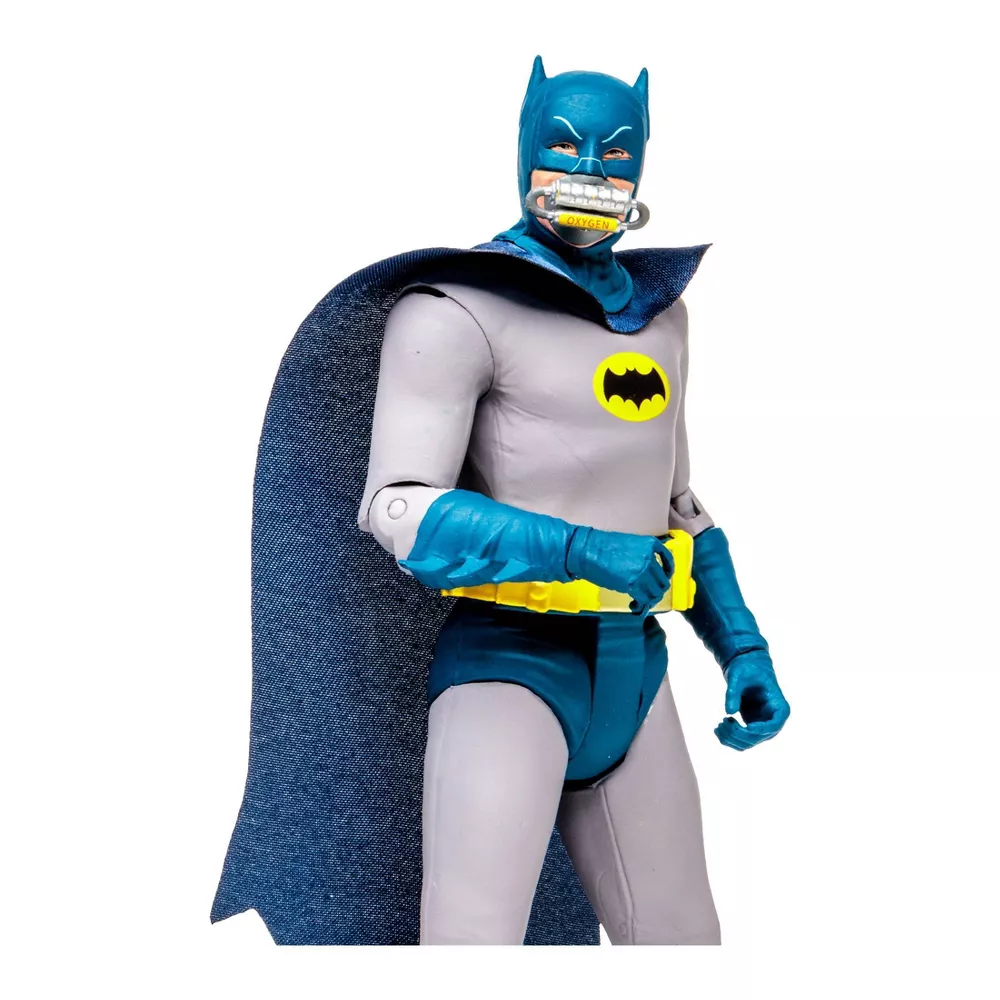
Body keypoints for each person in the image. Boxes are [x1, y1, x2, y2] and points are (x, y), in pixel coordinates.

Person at [213, 57, 790, 947]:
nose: (589, 168)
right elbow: (398, 508)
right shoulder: (456, 309)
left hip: (636, 669)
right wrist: (581, 549)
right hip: (510, 665)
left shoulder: (662, 318)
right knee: (473, 946)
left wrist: (742, 646)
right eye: (563, 144)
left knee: (684, 944)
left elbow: (679, 504)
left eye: (615, 150)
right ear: (524, 148)